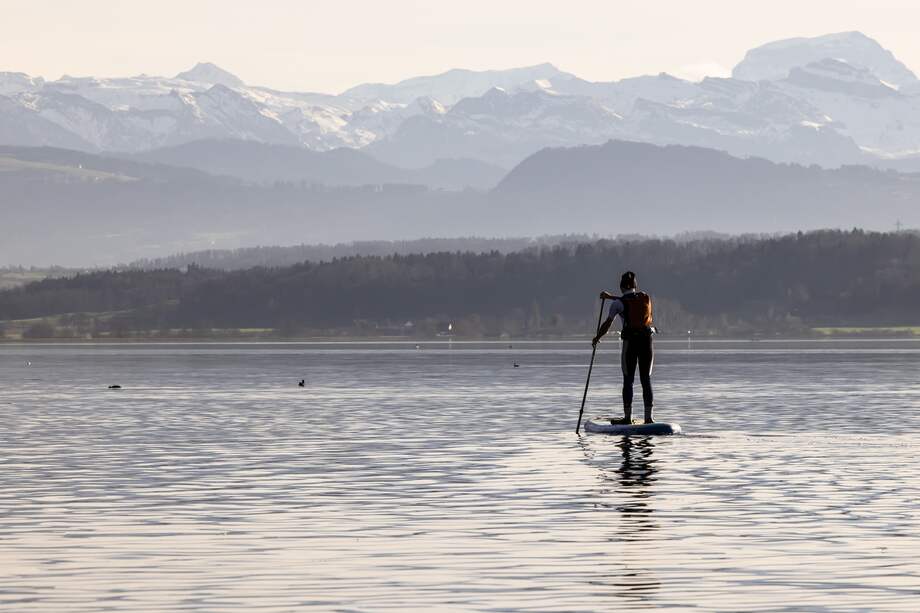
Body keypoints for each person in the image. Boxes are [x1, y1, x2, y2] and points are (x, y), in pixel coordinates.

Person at [592, 271, 655, 425]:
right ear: (635, 285)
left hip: (631, 343)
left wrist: (597, 338)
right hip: (647, 342)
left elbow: (607, 324)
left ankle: (627, 418)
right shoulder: (645, 297)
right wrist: (610, 297)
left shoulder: (617, 304)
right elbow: (630, 298)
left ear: (621, 287)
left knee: (628, 379)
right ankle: (649, 418)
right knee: (646, 379)